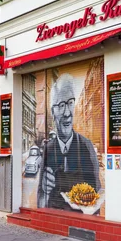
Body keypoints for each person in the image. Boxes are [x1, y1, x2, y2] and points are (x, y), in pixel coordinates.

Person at [37, 74, 100, 210]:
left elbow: (97, 196)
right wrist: (45, 192)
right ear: (52, 112)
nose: (67, 113)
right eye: (61, 105)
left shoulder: (87, 146)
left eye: (70, 103)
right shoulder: (48, 149)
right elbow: (40, 203)